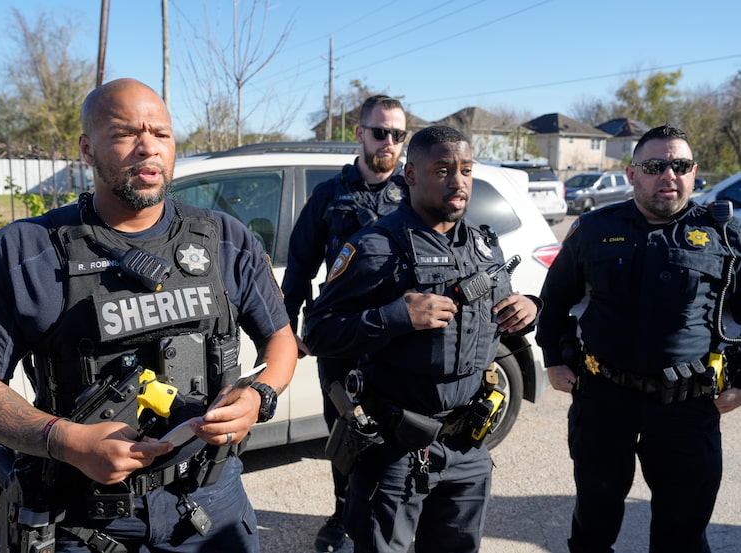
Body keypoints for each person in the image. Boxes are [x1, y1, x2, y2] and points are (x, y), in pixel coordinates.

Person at [0, 78, 297, 553]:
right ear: (87, 150)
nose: (147, 147)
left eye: (161, 133)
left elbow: (281, 340)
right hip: (82, 518)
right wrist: (66, 440)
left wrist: (259, 395)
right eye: (125, 134)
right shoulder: (24, 250)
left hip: (211, 503)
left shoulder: (225, 238)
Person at [303, 125, 540, 553]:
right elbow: (318, 332)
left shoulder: (485, 247)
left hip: (468, 445)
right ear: (410, 175)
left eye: (466, 169)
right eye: (443, 169)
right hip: (394, 449)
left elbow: (502, 312)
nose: (458, 181)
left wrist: (530, 309)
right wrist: (395, 317)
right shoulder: (376, 246)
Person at [536, 124, 741, 553]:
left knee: (682, 534)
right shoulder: (593, 229)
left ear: (693, 172)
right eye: (655, 166)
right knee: (594, 521)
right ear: (632, 175)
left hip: (687, 408)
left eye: (679, 165)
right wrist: (554, 356)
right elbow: (556, 298)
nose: (669, 175)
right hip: (604, 400)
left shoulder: (723, 234)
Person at [281, 94, 408, 551]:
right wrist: (285, 333)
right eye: (380, 132)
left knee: (400, 429)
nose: (389, 142)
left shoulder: (415, 195)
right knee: (344, 428)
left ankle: (397, 515)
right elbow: (299, 268)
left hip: (398, 337)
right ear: (359, 133)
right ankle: (342, 513)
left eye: (398, 134)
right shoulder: (328, 196)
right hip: (340, 336)